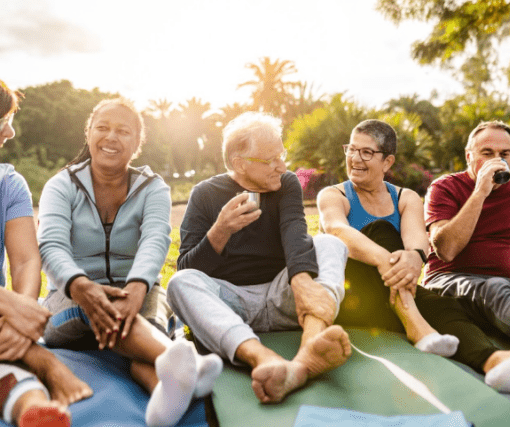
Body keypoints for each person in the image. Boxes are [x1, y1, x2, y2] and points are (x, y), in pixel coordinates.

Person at [318, 119, 510, 394]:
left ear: (387, 162)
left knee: (446, 307)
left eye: (366, 152)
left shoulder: (406, 197)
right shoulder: (333, 194)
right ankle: (413, 321)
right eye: (351, 149)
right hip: (350, 298)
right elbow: (337, 230)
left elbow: (417, 242)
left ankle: (493, 361)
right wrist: (396, 259)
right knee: (383, 230)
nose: (355, 158)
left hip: (388, 297)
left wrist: (413, 256)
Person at [38, 98, 222, 427]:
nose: (111, 137)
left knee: (143, 333)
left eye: (123, 131)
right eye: (103, 128)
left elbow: (155, 238)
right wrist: (82, 288)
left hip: (137, 292)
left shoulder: (152, 188)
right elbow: (51, 244)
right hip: (70, 299)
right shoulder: (61, 185)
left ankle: (164, 397)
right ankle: (186, 362)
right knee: (130, 327)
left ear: (137, 143)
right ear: (89, 133)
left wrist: (138, 287)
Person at [166, 112, 351, 404]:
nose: (282, 165)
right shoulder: (204, 194)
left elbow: (295, 231)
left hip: (283, 297)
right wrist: (221, 230)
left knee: (329, 243)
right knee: (180, 283)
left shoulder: (286, 183)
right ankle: (261, 358)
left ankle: (309, 348)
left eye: (282, 155)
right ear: (240, 163)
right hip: (232, 305)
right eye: (271, 160)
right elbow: (187, 267)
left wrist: (301, 282)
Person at [0, 80, 93, 427]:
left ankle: (32, 410)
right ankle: (48, 366)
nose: (9, 132)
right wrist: (8, 305)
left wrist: (19, 317)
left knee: (5, 355)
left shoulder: (9, 184)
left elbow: (25, 260)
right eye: (2, 121)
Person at [423, 120, 510, 392]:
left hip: (506, 290)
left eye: (504, 154)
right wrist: (480, 192)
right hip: (449, 281)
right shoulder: (445, 188)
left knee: (507, 291)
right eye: (487, 153)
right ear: (469, 156)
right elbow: (446, 249)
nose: (497, 160)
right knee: (495, 287)